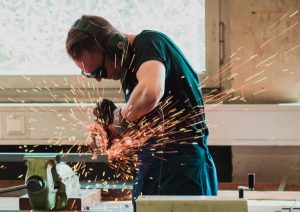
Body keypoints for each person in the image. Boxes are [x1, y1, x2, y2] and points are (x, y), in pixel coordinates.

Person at [66, 15, 218, 210]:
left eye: (99, 72)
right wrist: (111, 133)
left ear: (115, 45)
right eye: (92, 75)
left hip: (181, 171)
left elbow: (151, 93)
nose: (98, 80)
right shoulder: (131, 75)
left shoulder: (149, 44)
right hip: (154, 170)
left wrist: (119, 119)